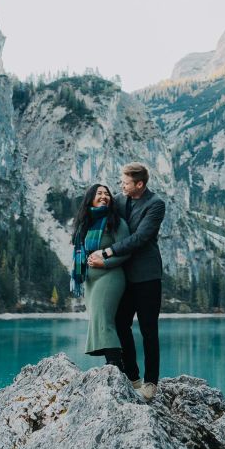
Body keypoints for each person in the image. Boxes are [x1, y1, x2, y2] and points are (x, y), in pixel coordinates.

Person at [88, 162, 165, 401]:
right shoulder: (120, 201)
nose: (120, 185)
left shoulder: (155, 205)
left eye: (125, 182)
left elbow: (140, 237)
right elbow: (100, 214)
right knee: (121, 325)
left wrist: (107, 252)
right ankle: (133, 378)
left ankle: (151, 383)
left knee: (148, 329)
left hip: (147, 276)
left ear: (139, 184)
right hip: (122, 277)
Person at [71, 183, 131, 369]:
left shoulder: (116, 222)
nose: (104, 196)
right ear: (90, 198)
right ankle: (112, 362)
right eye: (99, 193)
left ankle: (115, 364)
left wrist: (103, 262)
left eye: (107, 194)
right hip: (90, 280)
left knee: (103, 317)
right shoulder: (84, 224)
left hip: (111, 276)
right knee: (97, 318)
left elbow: (126, 251)